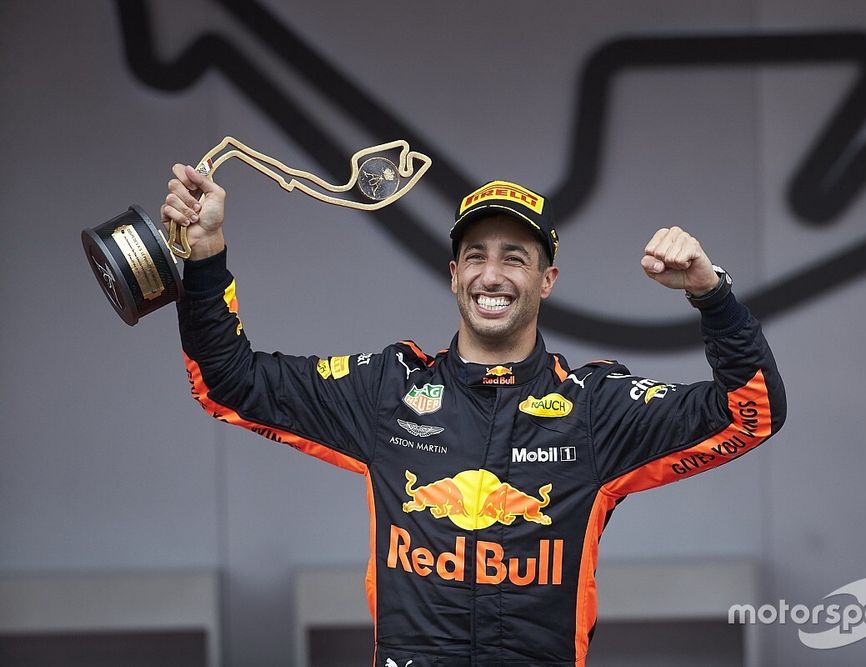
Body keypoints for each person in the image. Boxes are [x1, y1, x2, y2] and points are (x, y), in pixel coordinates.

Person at [162, 168, 786, 667]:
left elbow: (750, 413)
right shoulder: (388, 391)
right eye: (477, 255)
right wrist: (207, 253)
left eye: (515, 257)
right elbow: (228, 383)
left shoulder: (595, 407)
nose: (493, 274)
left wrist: (712, 294)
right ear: (455, 274)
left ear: (547, 280)